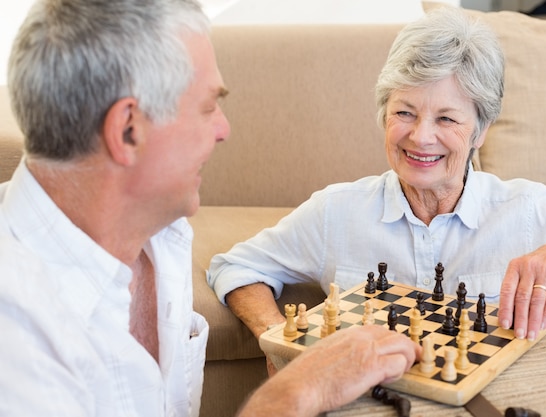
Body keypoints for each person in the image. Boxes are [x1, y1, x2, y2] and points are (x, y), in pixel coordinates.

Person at [0, 1, 418, 416]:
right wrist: (291, 395)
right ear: (128, 129)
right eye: (207, 107)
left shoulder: (164, 237)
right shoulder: (16, 331)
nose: (224, 129)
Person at [208, 4, 546, 353]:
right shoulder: (336, 213)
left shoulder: (529, 211)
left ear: (480, 130)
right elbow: (236, 267)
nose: (420, 137)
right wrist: (278, 341)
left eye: (446, 118)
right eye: (404, 112)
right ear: (383, 114)